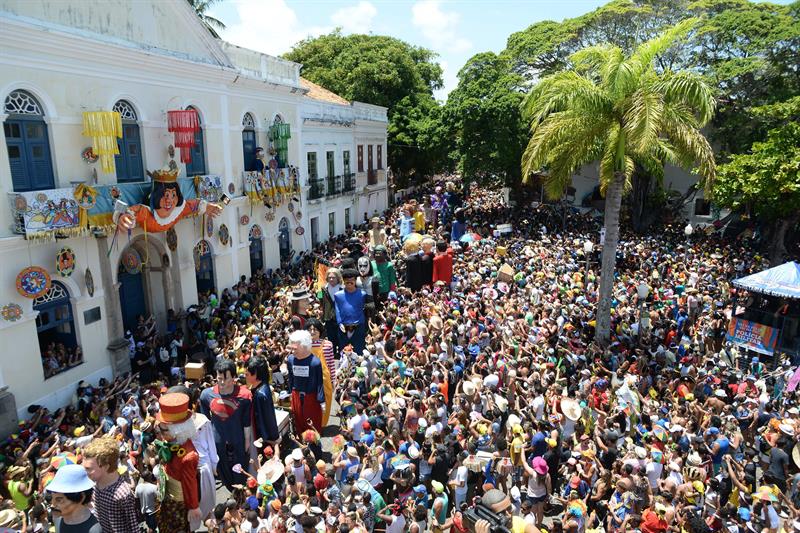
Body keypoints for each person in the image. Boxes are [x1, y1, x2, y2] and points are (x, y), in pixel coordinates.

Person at [154, 392, 215, 532]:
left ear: (177, 430)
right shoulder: (173, 442)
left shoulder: (189, 456)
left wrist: (193, 507)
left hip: (177, 504)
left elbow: (190, 483)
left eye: (163, 430)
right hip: (166, 496)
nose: (160, 434)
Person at [199, 358, 253, 490]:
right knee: (223, 469)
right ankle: (230, 489)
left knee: (240, 468)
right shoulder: (206, 395)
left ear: (234, 377)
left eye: (226, 378)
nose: (222, 382)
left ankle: (241, 492)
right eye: (219, 378)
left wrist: (247, 441)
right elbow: (205, 421)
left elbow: (246, 421)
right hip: (217, 441)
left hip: (237, 438)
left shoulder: (244, 396)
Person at [82, 436, 139, 533]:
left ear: (105, 466)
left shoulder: (122, 494)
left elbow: (134, 528)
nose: (85, 472)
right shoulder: (96, 484)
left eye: (89, 468)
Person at [286, 329, 325, 434]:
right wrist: (290, 393)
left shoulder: (315, 362)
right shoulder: (290, 360)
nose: (293, 352)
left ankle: (314, 446)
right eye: (291, 349)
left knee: (312, 423)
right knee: (298, 422)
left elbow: (319, 382)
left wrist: (322, 401)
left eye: (295, 349)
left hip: (311, 397)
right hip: (296, 395)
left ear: (304, 346)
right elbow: (290, 378)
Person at [46, 464, 100, 533]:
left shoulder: (94, 530)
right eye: (52, 499)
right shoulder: (58, 519)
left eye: (59, 500)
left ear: (81, 497)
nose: (53, 505)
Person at [245, 355, 281, 451]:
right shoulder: (261, 386)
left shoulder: (261, 395)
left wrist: (271, 439)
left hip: (263, 438)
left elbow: (267, 419)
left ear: (256, 374)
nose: (245, 376)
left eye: (247, 374)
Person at [334, 269, 369, 355]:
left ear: (355, 280)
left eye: (352, 281)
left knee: (359, 351)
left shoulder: (363, 294)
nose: (349, 283)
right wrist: (339, 322)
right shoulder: (338, 295)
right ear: (343, 281)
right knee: (344, 352)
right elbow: (337, 309)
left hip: (359, 326)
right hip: (343, 327)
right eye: (347, 281)